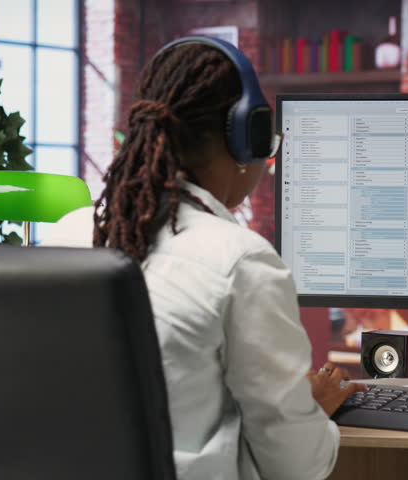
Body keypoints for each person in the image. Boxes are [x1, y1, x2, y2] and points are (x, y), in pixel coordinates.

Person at [88, 38, 365, 479]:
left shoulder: (72, 232)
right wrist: (309, 412)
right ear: (246, 139)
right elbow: (295, 466)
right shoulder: (240, 260)